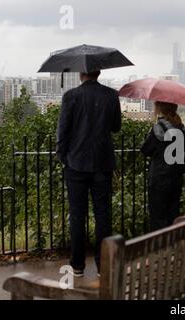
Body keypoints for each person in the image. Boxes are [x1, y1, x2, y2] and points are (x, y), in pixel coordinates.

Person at [56, 70, 121, 277]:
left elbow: (63, 130)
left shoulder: (71, 96)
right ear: (99, 72)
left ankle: (77, 265)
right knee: (103, 215)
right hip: (102, 163)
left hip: (76, 164)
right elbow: (116, 127)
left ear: (81, 73)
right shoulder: (111, 95)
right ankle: (103, 265)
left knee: (77, 215)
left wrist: (63, 157)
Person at [141, 101, 185, 231]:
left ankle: (159, 247)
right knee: (173, 213)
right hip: (176, 177)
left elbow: (146, 150)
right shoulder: (180, 127)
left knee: (158, 216)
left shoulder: (159, 127)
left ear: (160, 107)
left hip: (159, 177)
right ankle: (172, 245)